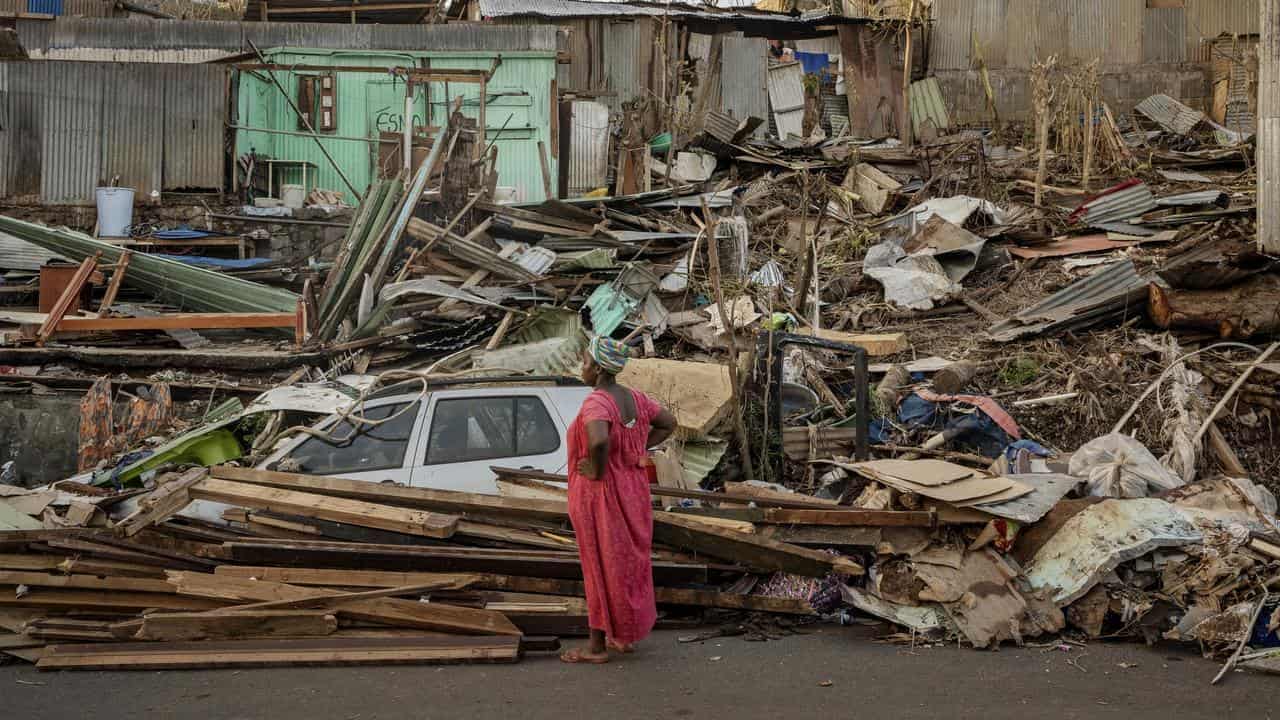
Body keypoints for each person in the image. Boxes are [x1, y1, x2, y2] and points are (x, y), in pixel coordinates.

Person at [560, 336, 677, 664]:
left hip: (602, 496)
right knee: (626, 565)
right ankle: (621, 636)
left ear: (598, 369)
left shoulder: (597, 402)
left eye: (584, 362)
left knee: (597, 566)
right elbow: (668, 423)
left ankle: (596, 648)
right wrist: (636, 449)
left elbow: (598, 440)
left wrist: (597, 469)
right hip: (633, 492)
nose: (581, 368)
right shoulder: (636, 399)